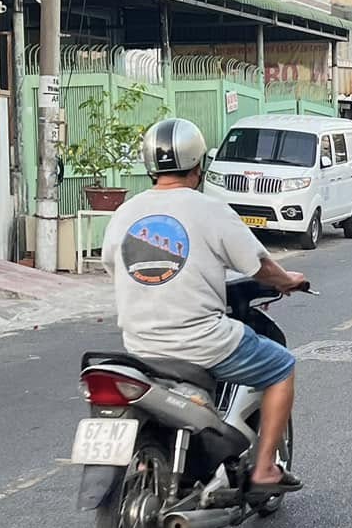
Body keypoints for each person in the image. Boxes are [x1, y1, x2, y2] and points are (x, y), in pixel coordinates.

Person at [102, 118, 304, 492]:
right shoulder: (211, 210)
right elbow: (259, 266)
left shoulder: (125, 214)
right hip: (202, 343)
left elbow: (114, 267)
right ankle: (264, 469)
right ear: (199, 164)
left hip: (141, 347)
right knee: (282, 367)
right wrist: (287, 280)